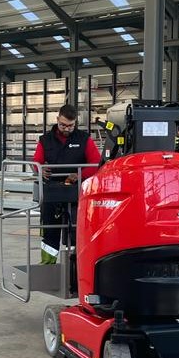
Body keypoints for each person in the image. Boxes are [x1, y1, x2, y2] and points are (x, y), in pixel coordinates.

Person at [32, 104, 101, 264]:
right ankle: (47, 264)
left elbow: (96, 163)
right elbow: (36, 161)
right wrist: (39, 170)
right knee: (50, 231)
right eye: (63, 125)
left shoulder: (84, 139)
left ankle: (78, 265)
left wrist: (79, 175)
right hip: (52, 193)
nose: (67, 128)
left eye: (71, 125)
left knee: (77, 231)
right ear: (57, 120)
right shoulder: (46, 140)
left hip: (77, 193)